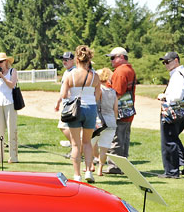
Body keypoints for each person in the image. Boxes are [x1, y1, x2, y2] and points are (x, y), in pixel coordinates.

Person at [58, 45, 101, 182]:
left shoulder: (70, 75)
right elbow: (98, 96)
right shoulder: (95, 76)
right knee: (87, 142)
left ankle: (77, 174)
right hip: (91, 108)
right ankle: (89, 171)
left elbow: (64, 94)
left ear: (76, 59)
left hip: (75, 109)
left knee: (76, 144)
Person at [156, 51, 184, 179]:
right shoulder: (183, 73)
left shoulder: (178, 75)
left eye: (168, 61)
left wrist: (164, 96)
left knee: (168, 140)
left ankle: (171, 171)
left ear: (176, 60)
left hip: (174, 109)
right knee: (173, 138)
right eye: (164, 62)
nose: (166, 64)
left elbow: (177, 96)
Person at [106, 47, 137, 175]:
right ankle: (123, 166)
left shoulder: (120, 72)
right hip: (128, 110)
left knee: (116, 138)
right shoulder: (129, 70)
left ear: (121, 57)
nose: (111, 60)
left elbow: (116, 94)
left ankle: (114, 167)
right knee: (124, 138)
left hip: (118, 111)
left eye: (113, 57)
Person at [0, 52, 19, 164]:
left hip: (10, 102)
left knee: (12, 130)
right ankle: (0, 155)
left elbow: (12, 85)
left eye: (1, 62)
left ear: (6, 62)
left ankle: (13, 156)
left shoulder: (13, 71)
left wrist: (2, 76)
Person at [95, 68, 118, 176]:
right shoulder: (113, 92)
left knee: (90, 144)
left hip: (100, 121)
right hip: (111, 122)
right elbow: (115, 110)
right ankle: (100, 168)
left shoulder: (99, 90)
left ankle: (90, 165)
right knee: (104, 147)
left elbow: (96, 106)